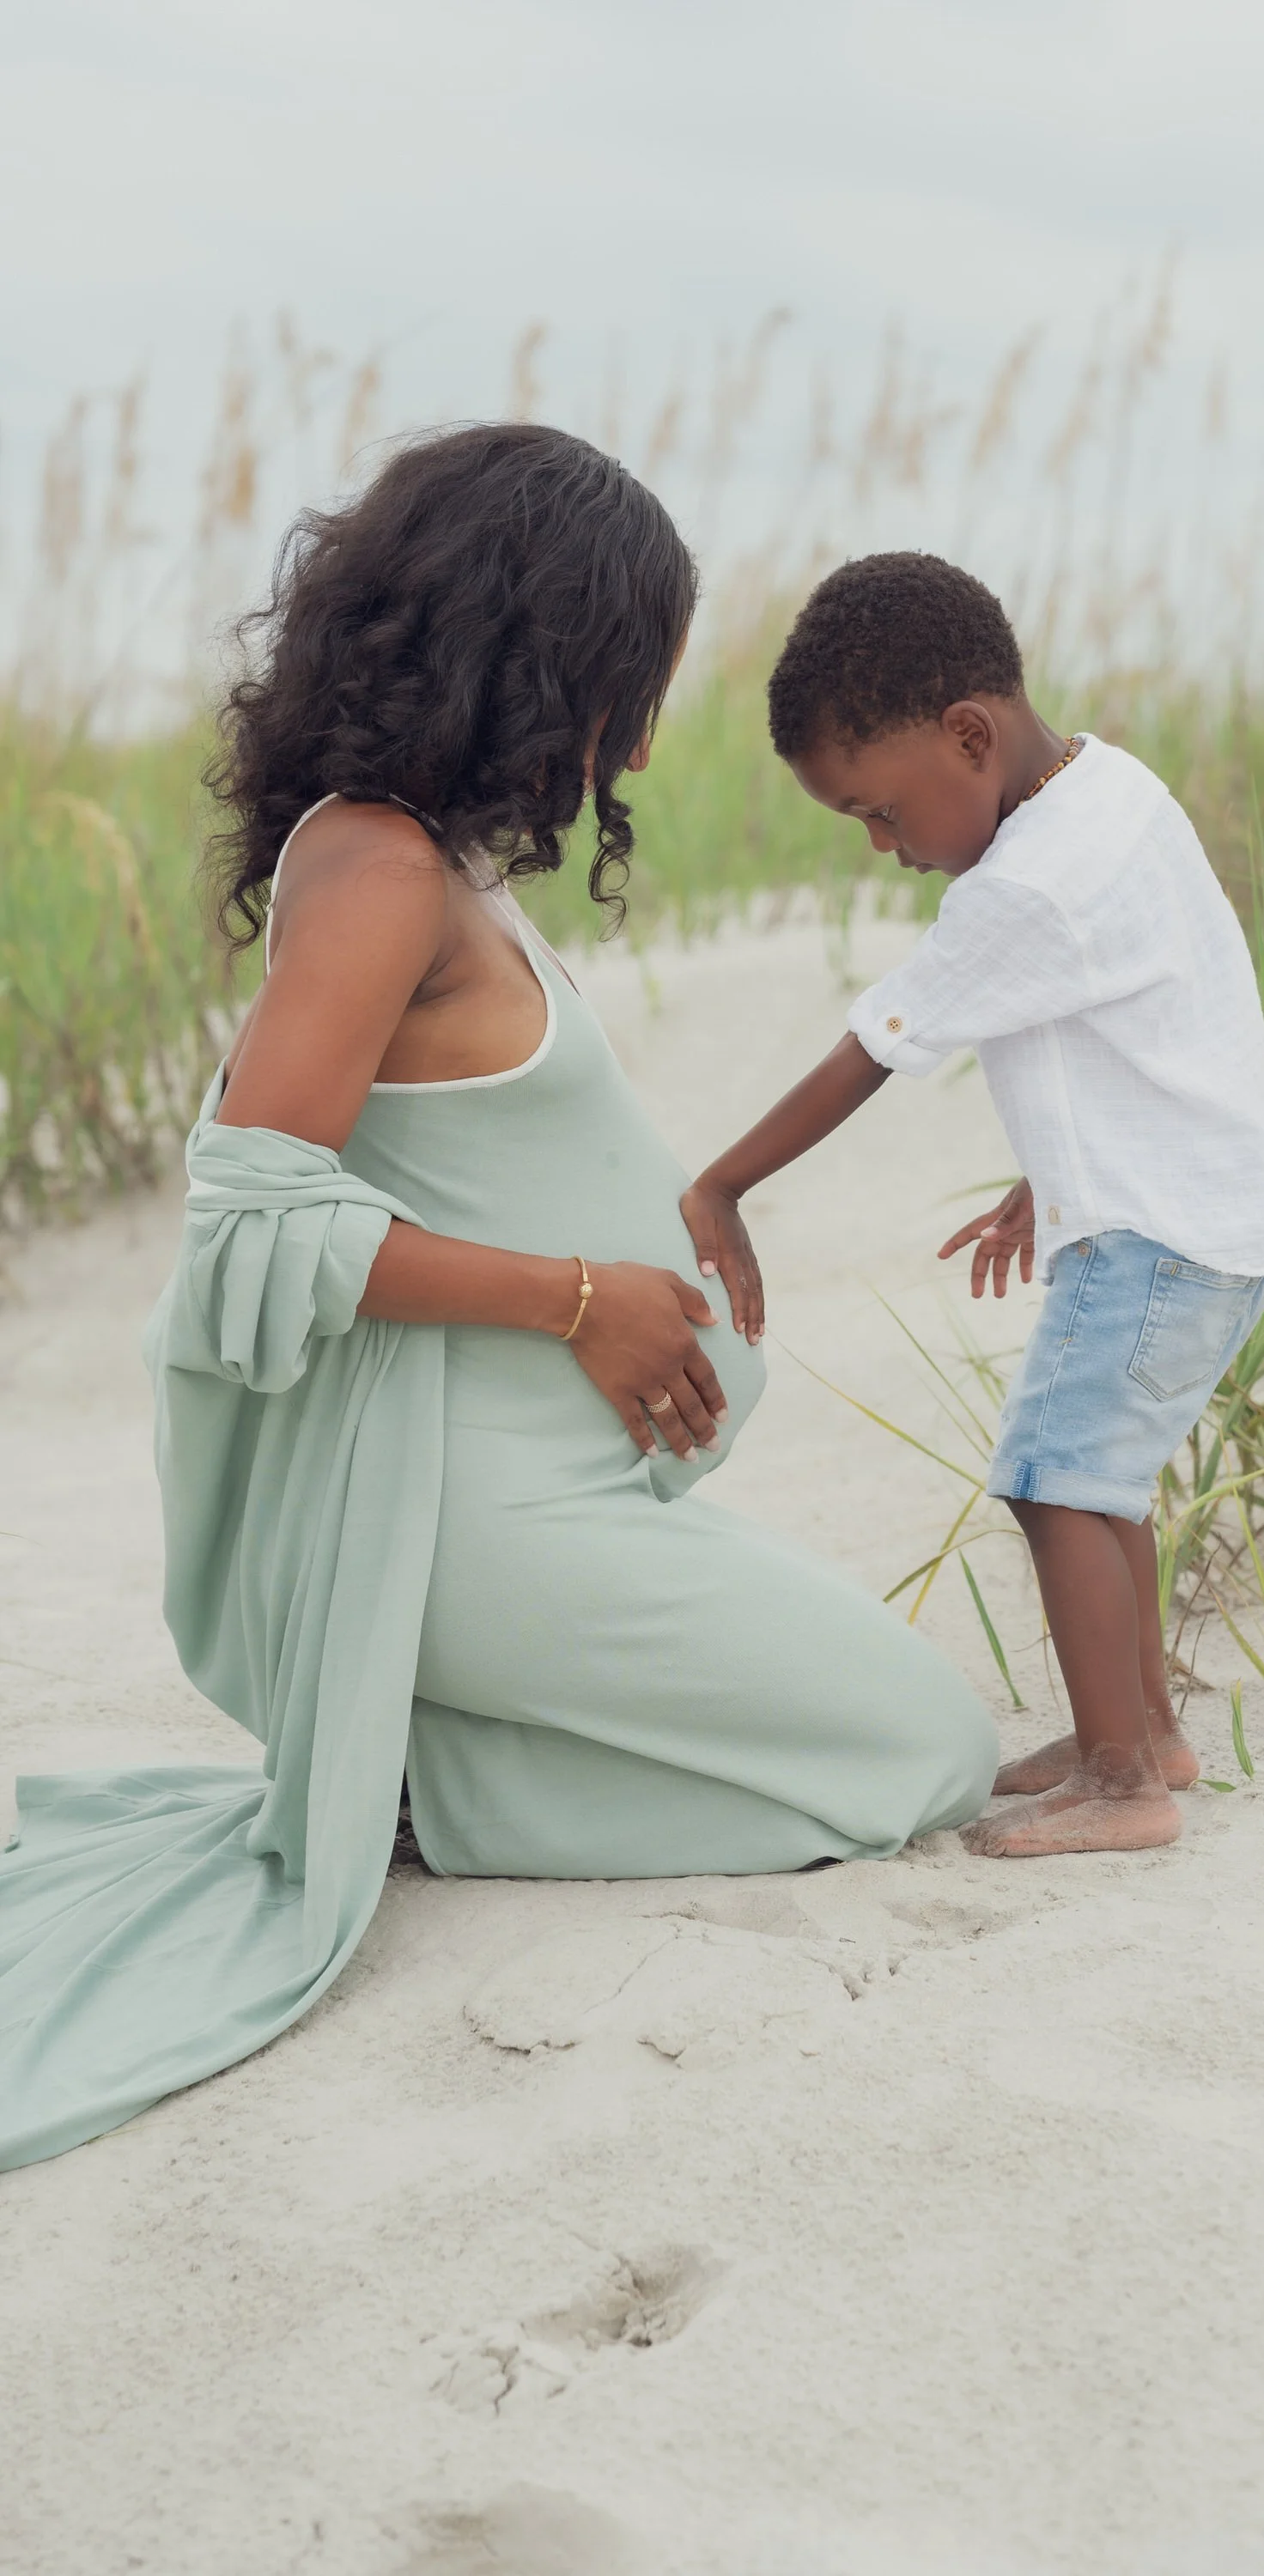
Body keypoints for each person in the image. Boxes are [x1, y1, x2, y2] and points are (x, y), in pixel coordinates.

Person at [0, 440, 996, 2173]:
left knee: (882, 1740)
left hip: (544, 1497)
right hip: (465, 1518)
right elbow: (249, 1215)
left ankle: (415, 1780)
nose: (644, 727)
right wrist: (580, 1300)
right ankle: (425, 1796)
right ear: (544, 646)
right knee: (917, 1749)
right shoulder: (380, 876)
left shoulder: (427, 864)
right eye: (637, 671)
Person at [682, 552, 1264, 1859]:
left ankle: (1126, 1782)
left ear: (968, 735)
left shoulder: (1021, 884)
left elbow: (875, 1048)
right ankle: (1141, 1729)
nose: (886, 850)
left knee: (1053, 1482)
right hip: (1199, 1210)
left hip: (1158, 1238)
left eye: (880, 812)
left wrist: (723, 1184)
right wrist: (1052, 1174)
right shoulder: (1114, 792)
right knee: (1104, 1484)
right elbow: (1144, 1015)